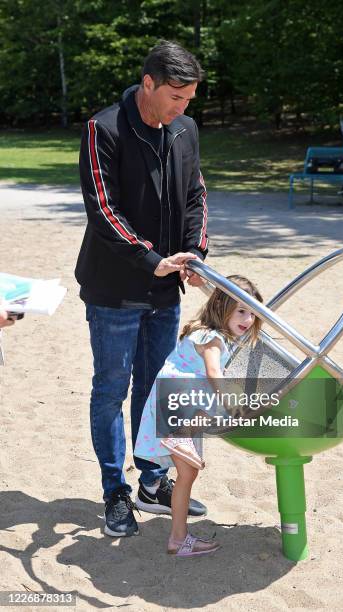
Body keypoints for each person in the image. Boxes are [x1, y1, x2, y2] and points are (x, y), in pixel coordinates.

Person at [75, 40, 209, 537]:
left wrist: (194, 253)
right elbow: (104, 210)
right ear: (148, 84)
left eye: (190, 99)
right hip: (114, 287)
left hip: (164, 288)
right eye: (176, 97)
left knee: (157, 388)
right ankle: (116, 491)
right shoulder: (102, 129)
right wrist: (151, 260)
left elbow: (196, 194)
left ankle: (154, 479)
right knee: (112, 389)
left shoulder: (185, 129)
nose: (183, 108)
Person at [135, 276, 263, 556]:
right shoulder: (214, 338)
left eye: (252, 312)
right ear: (223, 306)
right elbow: (213, 373)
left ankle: (177, 539)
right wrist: (234, 406)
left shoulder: (208, 332)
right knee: (225, 399)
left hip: (176, 400)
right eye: (241, 310)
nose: (248, 318)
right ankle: (179, 436)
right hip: (180, 402)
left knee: (188, 474)